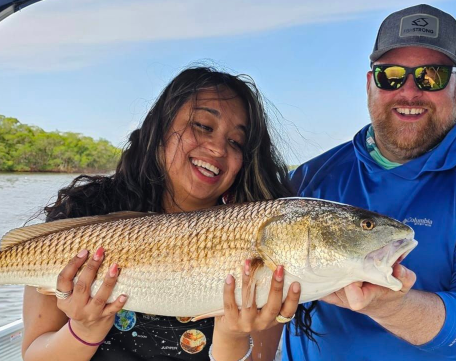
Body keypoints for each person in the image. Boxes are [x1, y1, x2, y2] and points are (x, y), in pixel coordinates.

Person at [21, 66, 302, 361]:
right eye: (204, 126)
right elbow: (35, 354)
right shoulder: (80, 214)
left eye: (236, 142)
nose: (219, 148)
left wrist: (232, 337)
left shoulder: (260, 244)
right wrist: (83, 330)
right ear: (160, 129)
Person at [282, 4, 456, 360]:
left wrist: (389, 307)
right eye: (391, 75)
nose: (410, 91)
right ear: (371, 84)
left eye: (431, 76)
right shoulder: (308, 179)